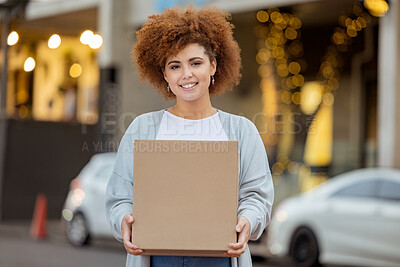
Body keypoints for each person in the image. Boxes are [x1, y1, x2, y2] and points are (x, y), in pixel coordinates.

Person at [106, 6, 274, 267]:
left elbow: (257, 196)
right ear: (164, 74)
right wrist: (123, 219)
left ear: (213, 66)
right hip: (157, 258)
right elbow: (120, 196)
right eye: (175, 66)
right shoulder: (142, 129)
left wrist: (248, 220)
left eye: (196, 63)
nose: (186, 74)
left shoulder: (241, 131)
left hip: (221, 258)